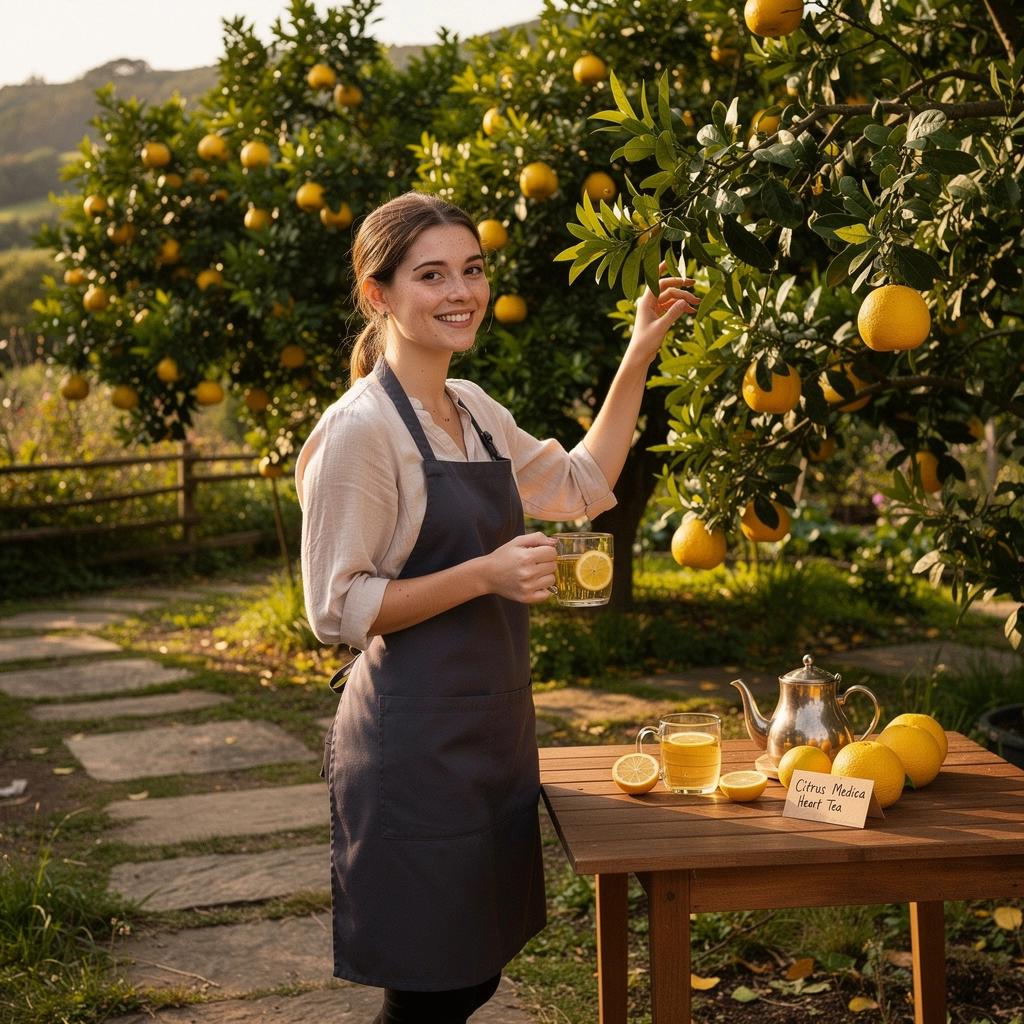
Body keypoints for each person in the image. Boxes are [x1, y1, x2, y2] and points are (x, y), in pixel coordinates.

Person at [296, 190, 699, 1024]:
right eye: (432, 274)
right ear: (379, 296)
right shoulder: (361, 431)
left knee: (473, 976)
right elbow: (337, 611)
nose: (461, 292)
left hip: (492, 730)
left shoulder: (474, 409)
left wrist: (637, 356)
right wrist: (483, 575)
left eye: (472, 270)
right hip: (412, 745)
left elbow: (584, 487)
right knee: (428, 991)